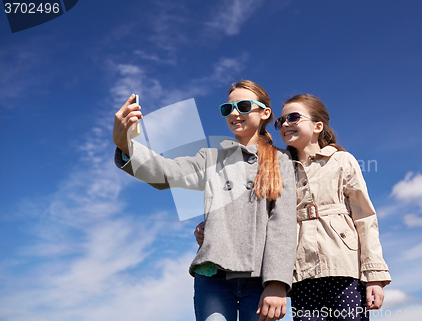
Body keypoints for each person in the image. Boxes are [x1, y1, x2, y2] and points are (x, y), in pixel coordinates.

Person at [196, 94, 391, 321]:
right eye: (281, 121)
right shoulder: (276, 166)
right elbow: (257, 212)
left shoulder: (342, 161)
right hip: (301, 275)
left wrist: (374, 276)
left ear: (318, 126)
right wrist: (214, 230)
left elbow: (365, 218)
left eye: (294, 118)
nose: (285, 124)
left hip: (344, 269)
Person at [113, 80, 297, 321]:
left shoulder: (281, 160)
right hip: (213, 278)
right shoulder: (211, 158)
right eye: (227, 108)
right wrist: (124, 143)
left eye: (242, 106)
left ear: (264, 113)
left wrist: (277, 282)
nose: (234, 113)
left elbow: (282, 224)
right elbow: (166, 171)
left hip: (261, 279)